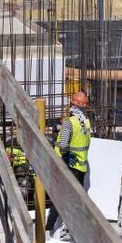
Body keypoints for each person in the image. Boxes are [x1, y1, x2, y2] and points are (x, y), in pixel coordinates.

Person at [46, 91, 92, 233]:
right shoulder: (85, 122)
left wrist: (56, 144)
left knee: (58, 197)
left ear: (72, 104)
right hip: (81, 166)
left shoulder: (68, 123)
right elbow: (78, 135)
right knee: (75, 197)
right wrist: (58, 129)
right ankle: (76, 226)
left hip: (68, 165)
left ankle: (48, 228)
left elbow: (64, 144)